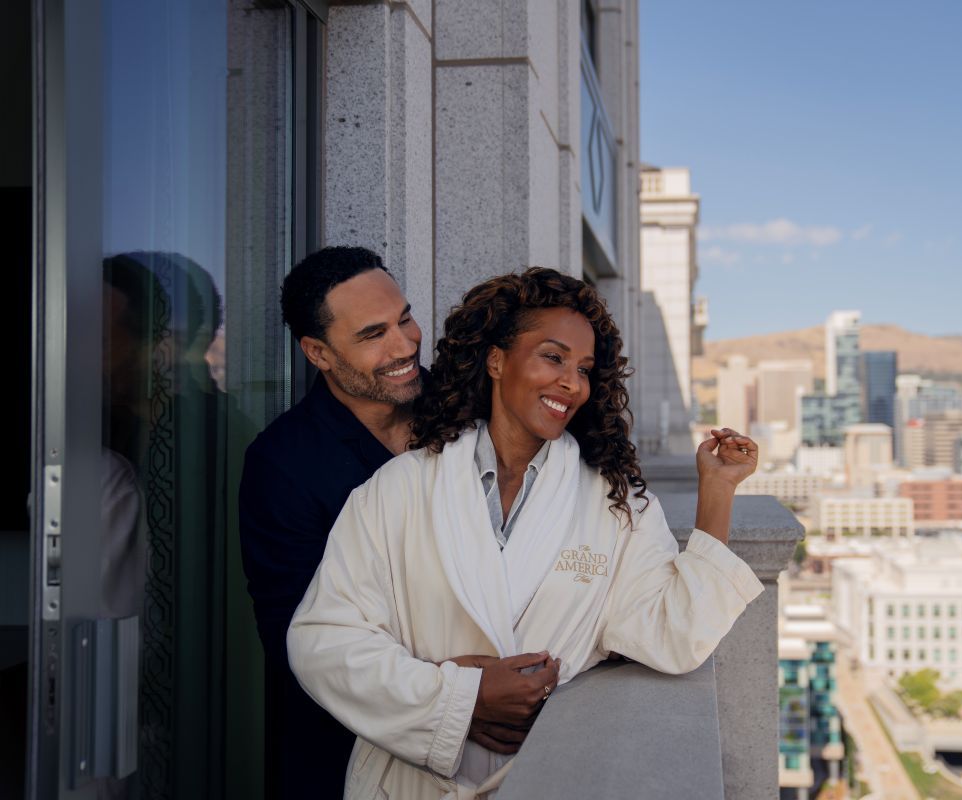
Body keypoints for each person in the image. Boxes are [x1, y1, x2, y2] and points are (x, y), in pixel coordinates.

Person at [287, 267, 763, 799]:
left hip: (541, 778)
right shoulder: (397, 488)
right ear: (496, 361)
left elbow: (674, 636)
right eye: (553, 357)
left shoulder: (615, 505)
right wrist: (461, 698)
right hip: (407, 785)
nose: (572, 383)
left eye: (584, 369)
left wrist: (717, 490)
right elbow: (324, 643)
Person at [239, 246, 423, 799]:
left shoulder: (471, 411)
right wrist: (456, 692)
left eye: (405, 319)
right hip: (346, 756)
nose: (405, 345)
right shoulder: (282, 462)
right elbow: (297, 640)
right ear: (317, 352)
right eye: (373, 334)